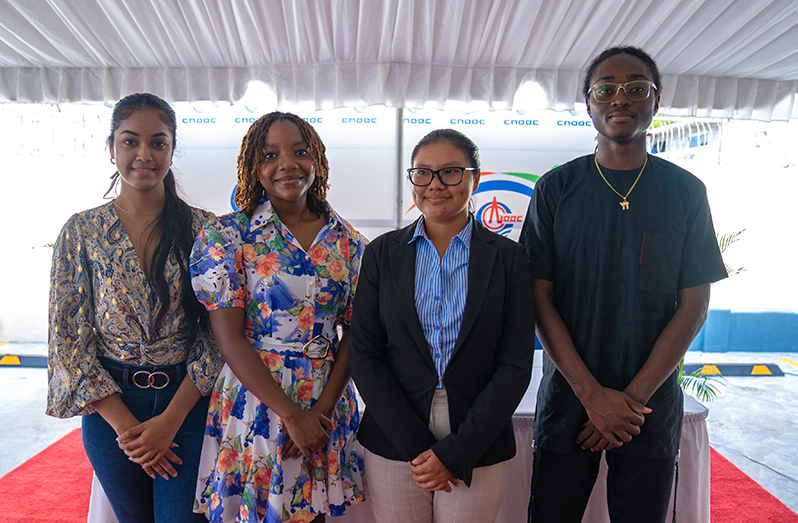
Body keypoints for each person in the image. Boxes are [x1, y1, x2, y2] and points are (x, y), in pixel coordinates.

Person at [519, 46, 729, 523]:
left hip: (648, 409)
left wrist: (629, 403)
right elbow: (537, 296)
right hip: (570, 399)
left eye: (637, 88)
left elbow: (693, 305)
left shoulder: (685, 192)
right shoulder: (556, 189)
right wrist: (592, 397)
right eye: (606, 89)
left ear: (656, 101)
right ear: (588, 102)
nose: (621, 98)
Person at [47, 92, 222, 523]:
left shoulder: (205, 229)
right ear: (112, 148)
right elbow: (68, 338)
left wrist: (168, 423)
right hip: (112, 411)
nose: (143, 154)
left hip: (188, 405)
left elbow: (219, 334)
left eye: (157, 142)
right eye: (130, 141)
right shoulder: (81, 231)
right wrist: (128, 429)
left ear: (172, 149)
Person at [349, 129, 535, 523]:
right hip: (395, 434)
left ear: (475, 179)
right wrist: (418, 447)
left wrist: (455, 452)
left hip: (478, 438)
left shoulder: (509, 258)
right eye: (423, 173)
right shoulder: (382, 253)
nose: (434, 184)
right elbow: (365, 355)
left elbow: (515, 364)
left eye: (450, 172)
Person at [190, 112, 365, 523]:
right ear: (254, 166)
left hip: (326, 398)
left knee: (310, 513)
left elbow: (356, 335)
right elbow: (229, 339)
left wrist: (318, 415)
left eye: (300, 152)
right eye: (270, 155)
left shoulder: (351, 243)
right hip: (257, 401)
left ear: (317, 161)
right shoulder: (229, 235)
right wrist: (291, 415)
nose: (287, 164)